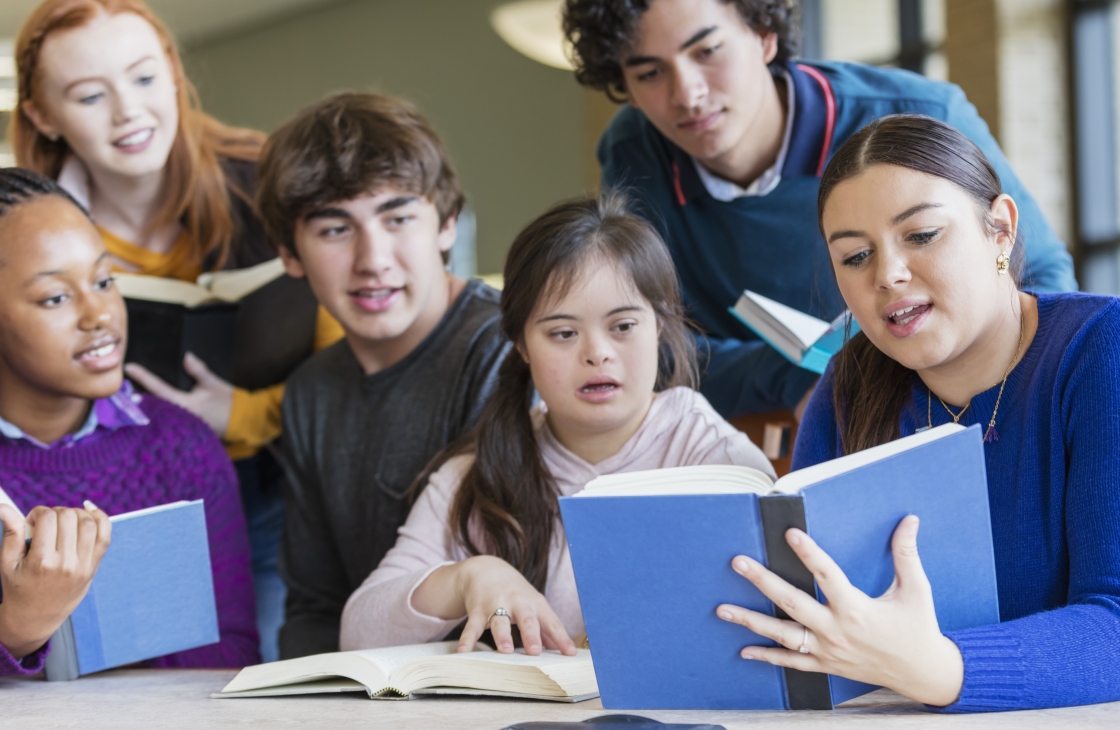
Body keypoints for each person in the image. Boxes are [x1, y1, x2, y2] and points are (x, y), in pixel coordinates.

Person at [713, 115, 1120, 711]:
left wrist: (933, 669)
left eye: (922, 235)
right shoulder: (847, 385)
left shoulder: (1100, 350)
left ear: (1000, 231)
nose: (888, 275)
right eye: (855, 257)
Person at [11, 0, 345, 661]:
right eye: (88, 95)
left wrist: (242, 415)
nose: (128, 112)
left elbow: (349, 367)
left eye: (141, 78)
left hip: (280, 478)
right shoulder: (27, 230)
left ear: (171, 71)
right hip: (123, 493)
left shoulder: (269, 183)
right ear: (44, 115)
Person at [562, 0, 1077, 421]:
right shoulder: (634, 153)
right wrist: (798, 376)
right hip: (762, 439)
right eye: (650, 73)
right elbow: (643, 351)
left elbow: (1046, 283)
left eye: (709, 50)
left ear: (764, 33)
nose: (688, 94)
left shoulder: (919, 114)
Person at [338, 193, 775, 656]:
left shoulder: (718, 462)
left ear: (661, 326)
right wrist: (468, 577)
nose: (597, 353)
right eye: (563, 334)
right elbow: (358, 633)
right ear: (522, 346)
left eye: (623, 326)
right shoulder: (479, 471)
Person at [252, 92, 510, 659]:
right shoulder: (310, 392)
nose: (374, 258)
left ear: (446, 224)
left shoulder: (508, 349)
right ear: (289, 253)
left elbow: (518, 599)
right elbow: (314, 610)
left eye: (398, 218)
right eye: (335, 230)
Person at [0, 168, 259, 676]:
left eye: (104, 280)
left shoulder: (181, 446)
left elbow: (236, 654)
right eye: (55, 297)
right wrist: (19, 631)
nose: (100, 315)